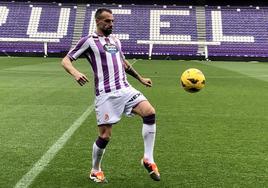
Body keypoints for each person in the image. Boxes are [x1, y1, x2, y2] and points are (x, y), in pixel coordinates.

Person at [61, 8, 160, 183]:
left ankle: (148, 159)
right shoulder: (88, 41)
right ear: (98, 21)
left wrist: (140, 78)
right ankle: (95, 170)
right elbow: (66, 60)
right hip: (106, 94)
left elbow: (123, 63)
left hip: (125, 89)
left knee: (150, 112)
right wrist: (75, 73)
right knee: (105, 135)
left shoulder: (115, 40)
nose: (111, 24)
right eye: (107, 21)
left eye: (112, 21)